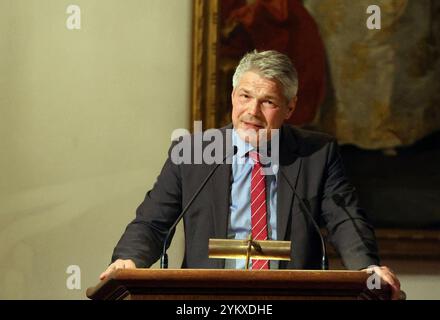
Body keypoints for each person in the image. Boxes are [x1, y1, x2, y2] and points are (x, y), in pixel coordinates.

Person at [99, 50, 401, 299]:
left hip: (292, 297)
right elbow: (152, 223)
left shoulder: (316, 155)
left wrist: (366, 267)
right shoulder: (192, 153)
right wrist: (129, 261)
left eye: (268, 102)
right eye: (245, 96)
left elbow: (345, 218)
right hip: (206, 301)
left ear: (290, 107)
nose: (252, 111)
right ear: (232, 96)